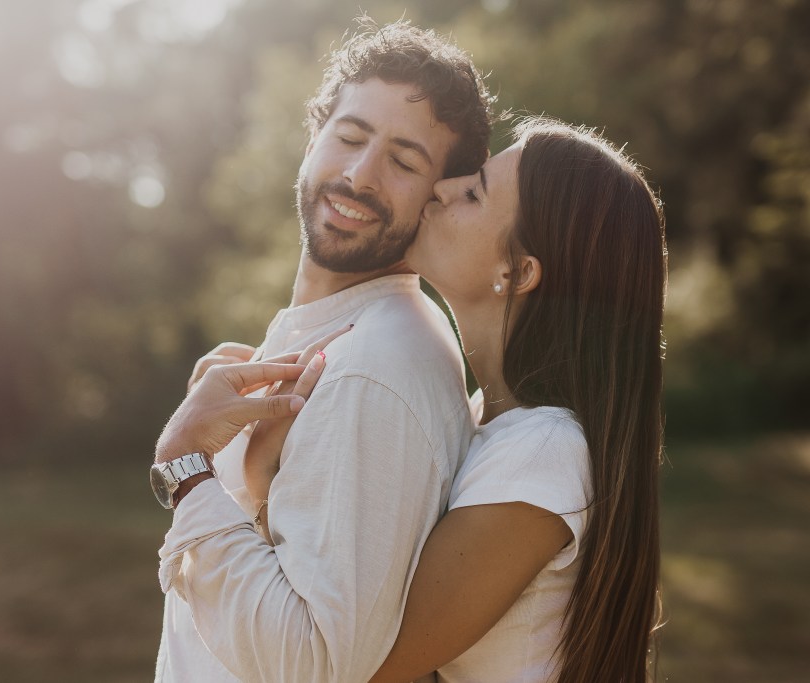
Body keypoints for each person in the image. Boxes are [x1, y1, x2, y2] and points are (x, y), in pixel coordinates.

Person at [241, 117, 667, 682]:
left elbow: (353, 667)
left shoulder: (543, 452)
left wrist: (249, 485)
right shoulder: (484, 419)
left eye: (472, 192)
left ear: (516, 271)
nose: (441, 189)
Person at [149, 18, 492, 683]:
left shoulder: (374, 367)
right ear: (313, 136)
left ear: (439, 196)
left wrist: (183, 467)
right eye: (351, 136)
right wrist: (232, 484)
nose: (361, 175)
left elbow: (317, 663)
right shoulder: (320, 332)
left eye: (404, 160)